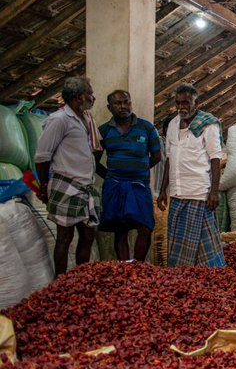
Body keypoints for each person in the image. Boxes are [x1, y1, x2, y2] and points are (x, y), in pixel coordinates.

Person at [34, 76, 101, 277]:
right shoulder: (59, 120)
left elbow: (94, 148)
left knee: (88, 234)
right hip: (66, 184)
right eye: (90, 93)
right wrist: (44, 185)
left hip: (84, 186)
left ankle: (78, 280)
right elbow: (42, 157)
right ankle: (61, 282)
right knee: (65, 237)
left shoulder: (86, 118)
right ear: (80, 97)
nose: (93, 97)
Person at [157, 83, 225, 268]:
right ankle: (186, 284)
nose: (181, 107)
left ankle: (211, 279)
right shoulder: (172, 125)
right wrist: (163, 189)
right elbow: (169, 159)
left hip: (199, 194)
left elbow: (215, 159)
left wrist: (214, 192)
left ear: (196, 102)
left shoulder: (208, 125)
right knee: (179, 247)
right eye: (178, 103)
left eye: (186, 102)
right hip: (178, 195)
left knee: (205, 247)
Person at [96, 90, 162, 261]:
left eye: (126, 102)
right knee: (120, 228)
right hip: (115, 185)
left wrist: (139, 170)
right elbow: (93, 162)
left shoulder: (146, 128)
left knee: (145, 226)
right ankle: (124, 268)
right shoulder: (104, 131)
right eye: (118, 103)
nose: (123, 106)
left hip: (139, 185)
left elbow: (157, 156)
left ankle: (137, 267)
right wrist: (111, 176)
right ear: (109, 107)